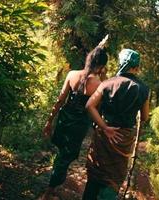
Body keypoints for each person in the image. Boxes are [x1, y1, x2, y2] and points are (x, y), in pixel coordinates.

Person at [41, 37, 109, 200]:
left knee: (62, 153)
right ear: (101, 66)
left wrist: (50, 121)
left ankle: (54, 183)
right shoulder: (100, 84)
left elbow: (60, 100)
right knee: (66, 157)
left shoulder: (72, 74)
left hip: (64, 119)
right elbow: (98, 107)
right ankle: (49, 190)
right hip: (78, 126)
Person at [83, 49, 150, 200]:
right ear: (136, 67)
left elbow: (89, 106)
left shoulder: (107, 83)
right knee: (115, 176)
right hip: (124, 139)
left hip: (104, 136)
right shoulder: (143, 89)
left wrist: (105, 127)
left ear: (121, 63)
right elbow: (145, 117)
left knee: (96, 171)